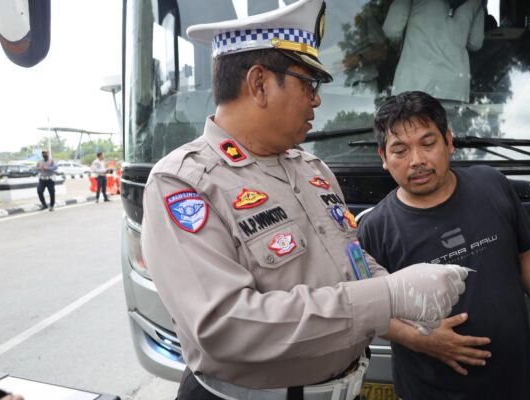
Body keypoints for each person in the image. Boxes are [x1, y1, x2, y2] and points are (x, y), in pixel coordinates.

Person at [141, 2, 469, 400]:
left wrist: (401, 291)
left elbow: (349, 264)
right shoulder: (183, 183)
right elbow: (226, 329)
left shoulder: (312, 169)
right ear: (259, 83)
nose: (316, 101)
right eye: (308, 84)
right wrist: (388, 297)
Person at [358, 91, 530, 399]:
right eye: (400, 150)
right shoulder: (375, 228)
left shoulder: (492, 184)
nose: (416, 160)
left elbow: (526, 253)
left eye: (428, 143)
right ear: (384, 158)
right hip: (433, 391)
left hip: (518, 382)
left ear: (449, 141)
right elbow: (364, 308)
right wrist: (421, 339)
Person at [383, 0, 484, 102]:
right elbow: (475, 43)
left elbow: (392, 29)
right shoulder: (476, 2)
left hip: (414, 80)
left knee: (409, 116)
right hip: (454, 88)